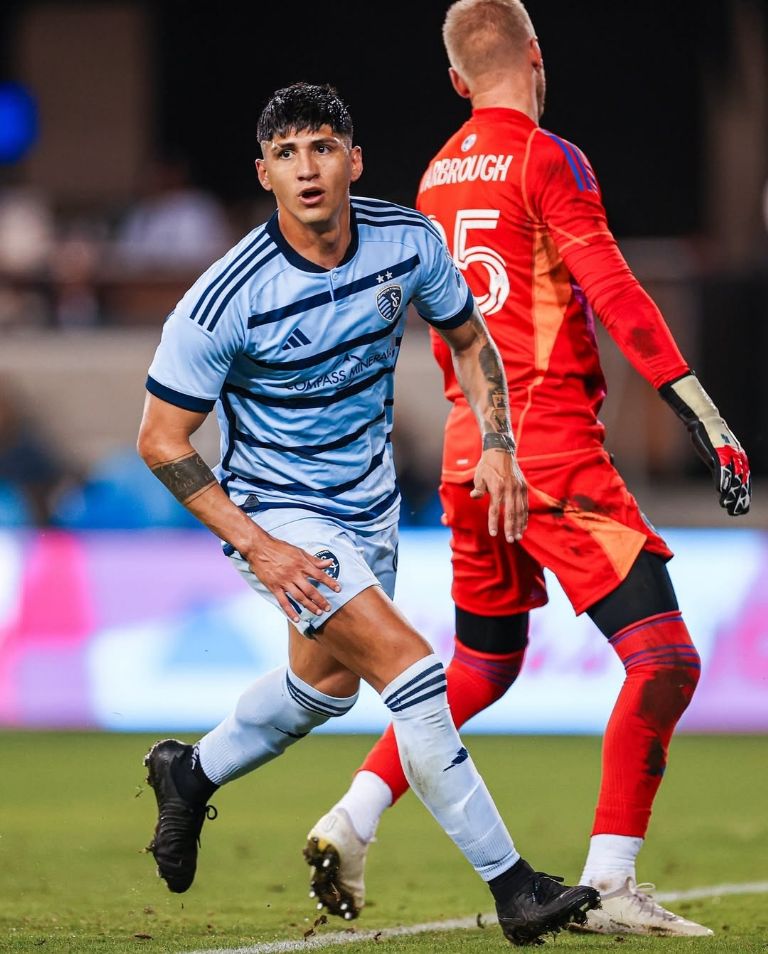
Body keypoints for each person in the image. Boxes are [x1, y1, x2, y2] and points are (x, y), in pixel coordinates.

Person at [303, 0, 752, 940]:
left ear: (457, 79)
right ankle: (612, 880)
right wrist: (703, 413)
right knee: (665, 658)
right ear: (536, 58)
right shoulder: (549, 159)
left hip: (470, 454)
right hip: (546, 450)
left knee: (485, 662)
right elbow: (613, 289)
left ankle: (353, 814)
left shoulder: (434, 177)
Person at [136, 82, 600, 947]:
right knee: (413, 675)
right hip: (282, 518)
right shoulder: (223, 298)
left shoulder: (408, 242)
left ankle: (189, 773)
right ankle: (516, 890)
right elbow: (161, 440)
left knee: (321, 692)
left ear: (354, 159)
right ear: (265, 174)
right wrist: (260, 547)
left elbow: (469, 337)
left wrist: (498, 440)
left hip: (371, 509)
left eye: (322, 147)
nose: (307, 169)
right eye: (286, 155)